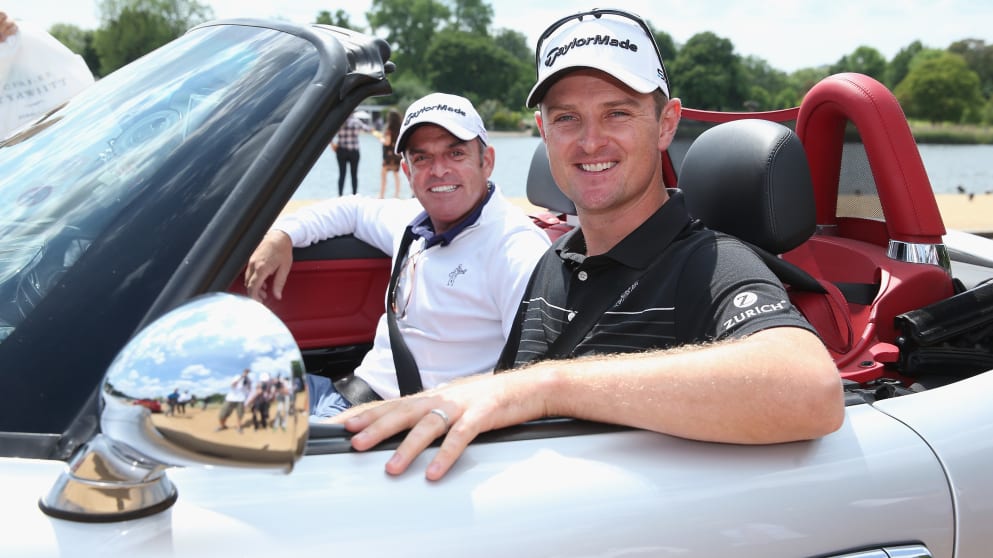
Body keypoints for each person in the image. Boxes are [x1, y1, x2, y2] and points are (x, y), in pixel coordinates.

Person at [331, 8, 845, 481]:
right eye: (566, 118)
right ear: (544, 132)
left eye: (617, 113)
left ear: (666, 124)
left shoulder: (710, 265)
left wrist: (547, 386)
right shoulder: (552, 261)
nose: (591, 141)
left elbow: (810, 390)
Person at [244, 92, 551, 418]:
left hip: (395, 425)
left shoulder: (516, 248)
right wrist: (283, 234)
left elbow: (534, 381)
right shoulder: (412, 221)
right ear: (406, 171)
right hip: (347, 394)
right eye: (422, 159)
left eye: (456, 153)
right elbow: (353, 210)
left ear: (486, 161)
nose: (439, 170)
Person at [331, 111, 371, 196]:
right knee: (354, 175)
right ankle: (354, 195)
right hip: (354, 151)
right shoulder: (356, 121)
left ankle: (340, 195)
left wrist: (332, 144)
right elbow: (367, 129)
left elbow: (329, 133)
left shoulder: (340, 121)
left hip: (341, 150)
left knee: (342, 174)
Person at [378, 109, 404, 198]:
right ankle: (397, 194)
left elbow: (387, 142)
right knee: (396, 174)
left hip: (388, 155)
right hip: (397, 155)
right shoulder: (401, 128)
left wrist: (381, 139)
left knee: (383, 174)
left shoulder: (389, 129)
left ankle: (381, 195)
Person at [217, 368, 253, 432]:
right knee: (223, 414)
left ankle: (238, 427)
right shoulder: (237, 377)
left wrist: (249, 383)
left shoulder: (248, 380)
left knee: (240, 414)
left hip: (241, 399)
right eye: (246, 371)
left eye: (248, 372)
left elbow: (249, 390)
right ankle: (222, 426)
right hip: (231, 398)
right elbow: (233, 385)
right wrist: (242, 377)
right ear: (243, 371)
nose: (247, 373)